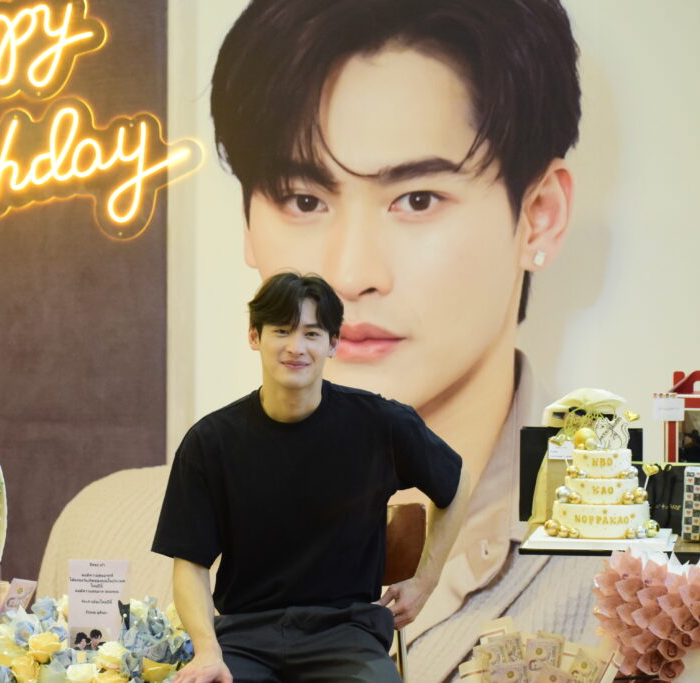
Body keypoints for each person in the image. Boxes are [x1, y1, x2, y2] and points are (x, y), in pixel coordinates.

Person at [207, 1, 597, 679]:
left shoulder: (675, 596)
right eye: (303, 200)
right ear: (247, 221)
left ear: (539, 216)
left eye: (417, 199)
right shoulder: (114, 536)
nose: (349, 275)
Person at [152, 272, 468, 683]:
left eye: (312, 333)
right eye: (281, 331)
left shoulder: (380, 424)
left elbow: (455, 484)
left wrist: (425, 581)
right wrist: (208, 651)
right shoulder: (210, 441)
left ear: (333, 343)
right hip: (245, 637)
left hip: (347, 635)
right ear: (254, 336)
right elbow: (190, 563)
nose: (296, 347)